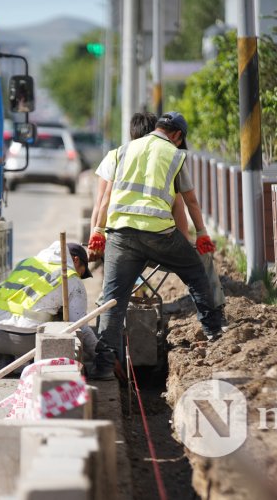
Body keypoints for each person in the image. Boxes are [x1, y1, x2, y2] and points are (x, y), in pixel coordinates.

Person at [87, 111, 222, 380]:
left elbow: (105, 200)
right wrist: (202, 234)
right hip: (159, 234)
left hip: (121, 235)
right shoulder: (175, 155)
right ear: (178, 136)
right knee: (195, 273)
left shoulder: (121, 151)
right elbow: (188, 202)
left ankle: (103, 366)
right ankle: (214, 331)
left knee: (113, 300)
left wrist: (98, 231)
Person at [0, 241, 97, 371]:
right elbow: (79, 325)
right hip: (30, 343)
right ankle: (36, 361)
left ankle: (4, 359)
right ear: (76, 260)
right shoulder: (71, 278)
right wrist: (99, 354)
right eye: (82, 272)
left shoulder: (26, 263)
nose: (80, 276)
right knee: (63, 318)